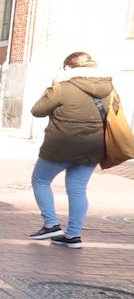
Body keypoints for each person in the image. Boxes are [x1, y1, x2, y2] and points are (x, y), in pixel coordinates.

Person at [28, 52, 114, 249]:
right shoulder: (108, 88)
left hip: (61, 145)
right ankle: (73, 235)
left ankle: (51, 224)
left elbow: (37, 110)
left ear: (68, 68)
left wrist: (53, 85)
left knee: (40, 180)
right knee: (77, 190)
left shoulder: (63, 87)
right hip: (93, 146)